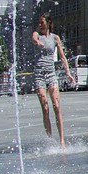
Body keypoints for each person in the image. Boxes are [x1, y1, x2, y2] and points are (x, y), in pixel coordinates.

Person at [30, 14, 76, 146]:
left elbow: (62, 57)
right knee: (45, 108)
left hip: (51, 74)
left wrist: (68, 73)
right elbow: (33, 39)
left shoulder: (55, 38)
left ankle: (62, 141)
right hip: (39, 75)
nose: (40, 25)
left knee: (56, 106)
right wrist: (38, 42)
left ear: (49, 23)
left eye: (42, 23)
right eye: (39, 23)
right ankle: (50, 140)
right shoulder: (36, 35)